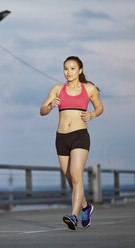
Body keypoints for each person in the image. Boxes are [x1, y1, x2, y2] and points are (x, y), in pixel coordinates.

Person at [40, 56, 103, 230]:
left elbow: (99, 107)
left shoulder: (89, 89)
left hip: (80, 136)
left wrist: (92, 114)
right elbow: (42, 111)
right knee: (71, 180)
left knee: (76, 176)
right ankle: (86, 207)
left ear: (80, 70)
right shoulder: (57, 89)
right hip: (61, 138)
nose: (68, 72)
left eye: (72, 68)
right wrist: (51, 105)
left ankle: (73, 216)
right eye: (66, 68)